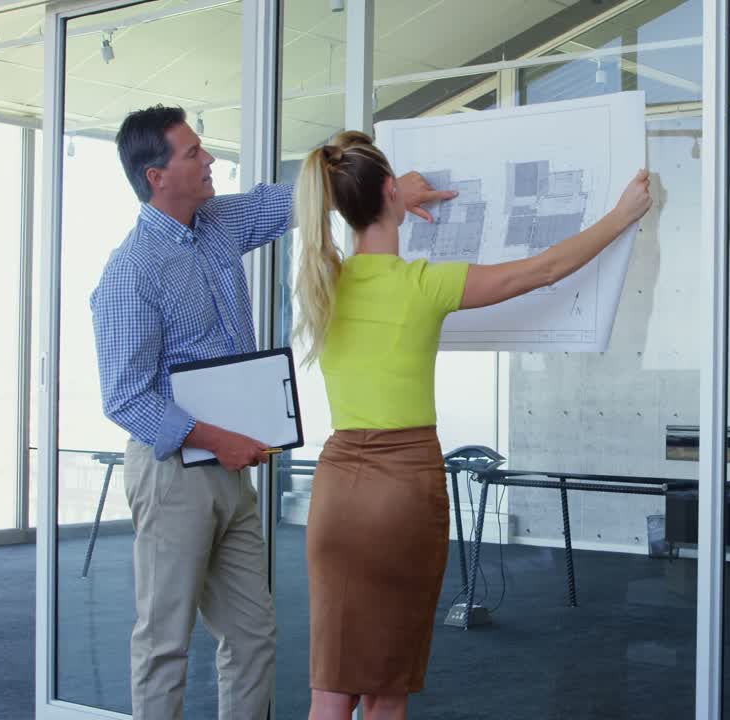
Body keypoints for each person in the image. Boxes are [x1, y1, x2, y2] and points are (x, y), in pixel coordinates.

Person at [89, 106, 452, 719]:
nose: (208, 161)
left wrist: (391, 192)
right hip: (175, 473)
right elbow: (124, 397)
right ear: (156, 176)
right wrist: (213, 438)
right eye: (192, 154)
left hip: (233, 470)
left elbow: (301, 197)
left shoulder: (219, 222)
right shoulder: (131, 272)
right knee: (164, 645)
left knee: (253, 639)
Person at [294, 130, 652, 720]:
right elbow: (544, 270)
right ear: (390, 192)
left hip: (334, 497)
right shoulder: (423, 285)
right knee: (385, 689)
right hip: (401, 493)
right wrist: (620, 216)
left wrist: (383, 197)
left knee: (330, 692)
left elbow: (350, 205)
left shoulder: (321, 283)